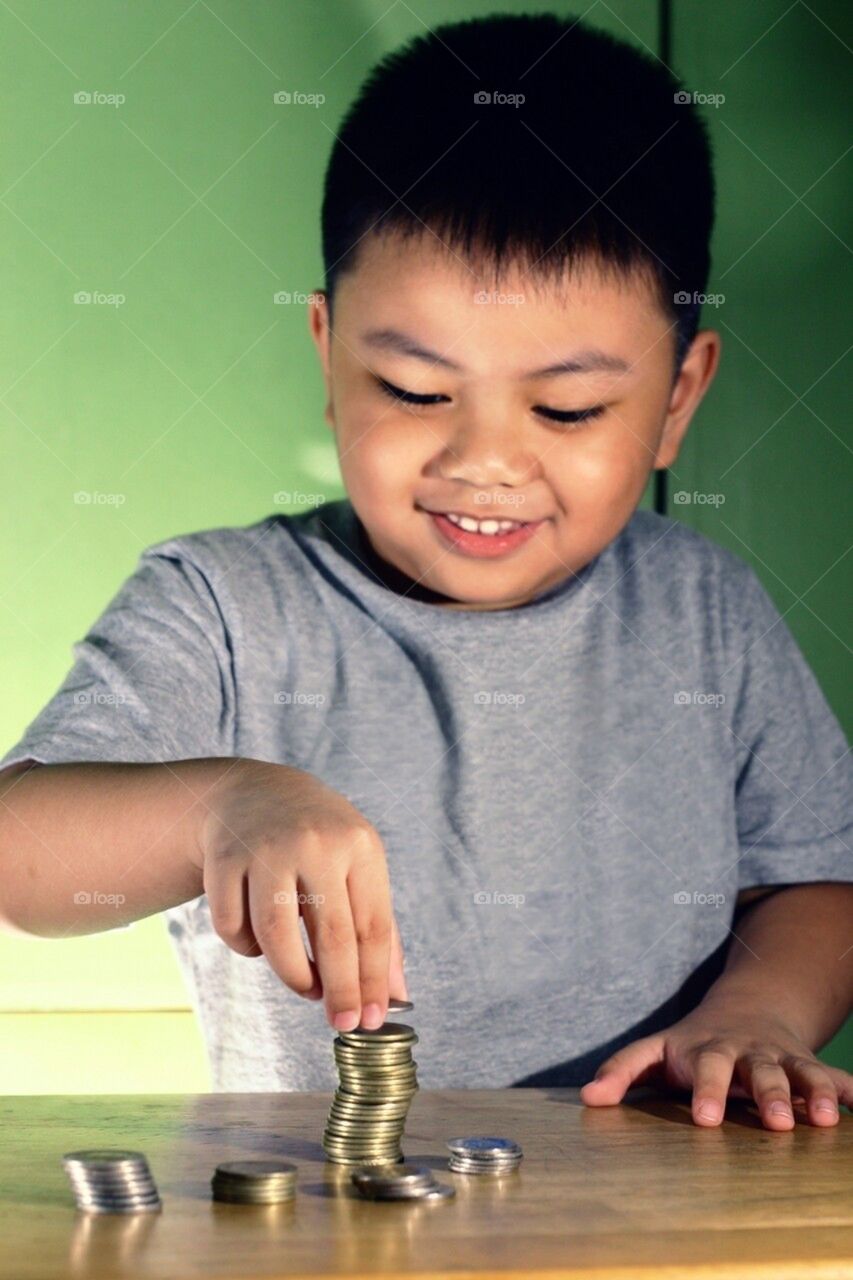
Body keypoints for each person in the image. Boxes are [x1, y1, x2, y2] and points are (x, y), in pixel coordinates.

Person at [1, 12, 850, 1130]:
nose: (484, 461)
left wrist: (758, 1009)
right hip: (322, 1227)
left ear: (677, 399)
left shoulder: (707, 614)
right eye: (411, 389)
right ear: (325, 348)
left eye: (568, 408)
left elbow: (817, 883)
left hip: (652, 1212)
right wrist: (222, 800)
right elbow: (22, 851)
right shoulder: (222, 608)